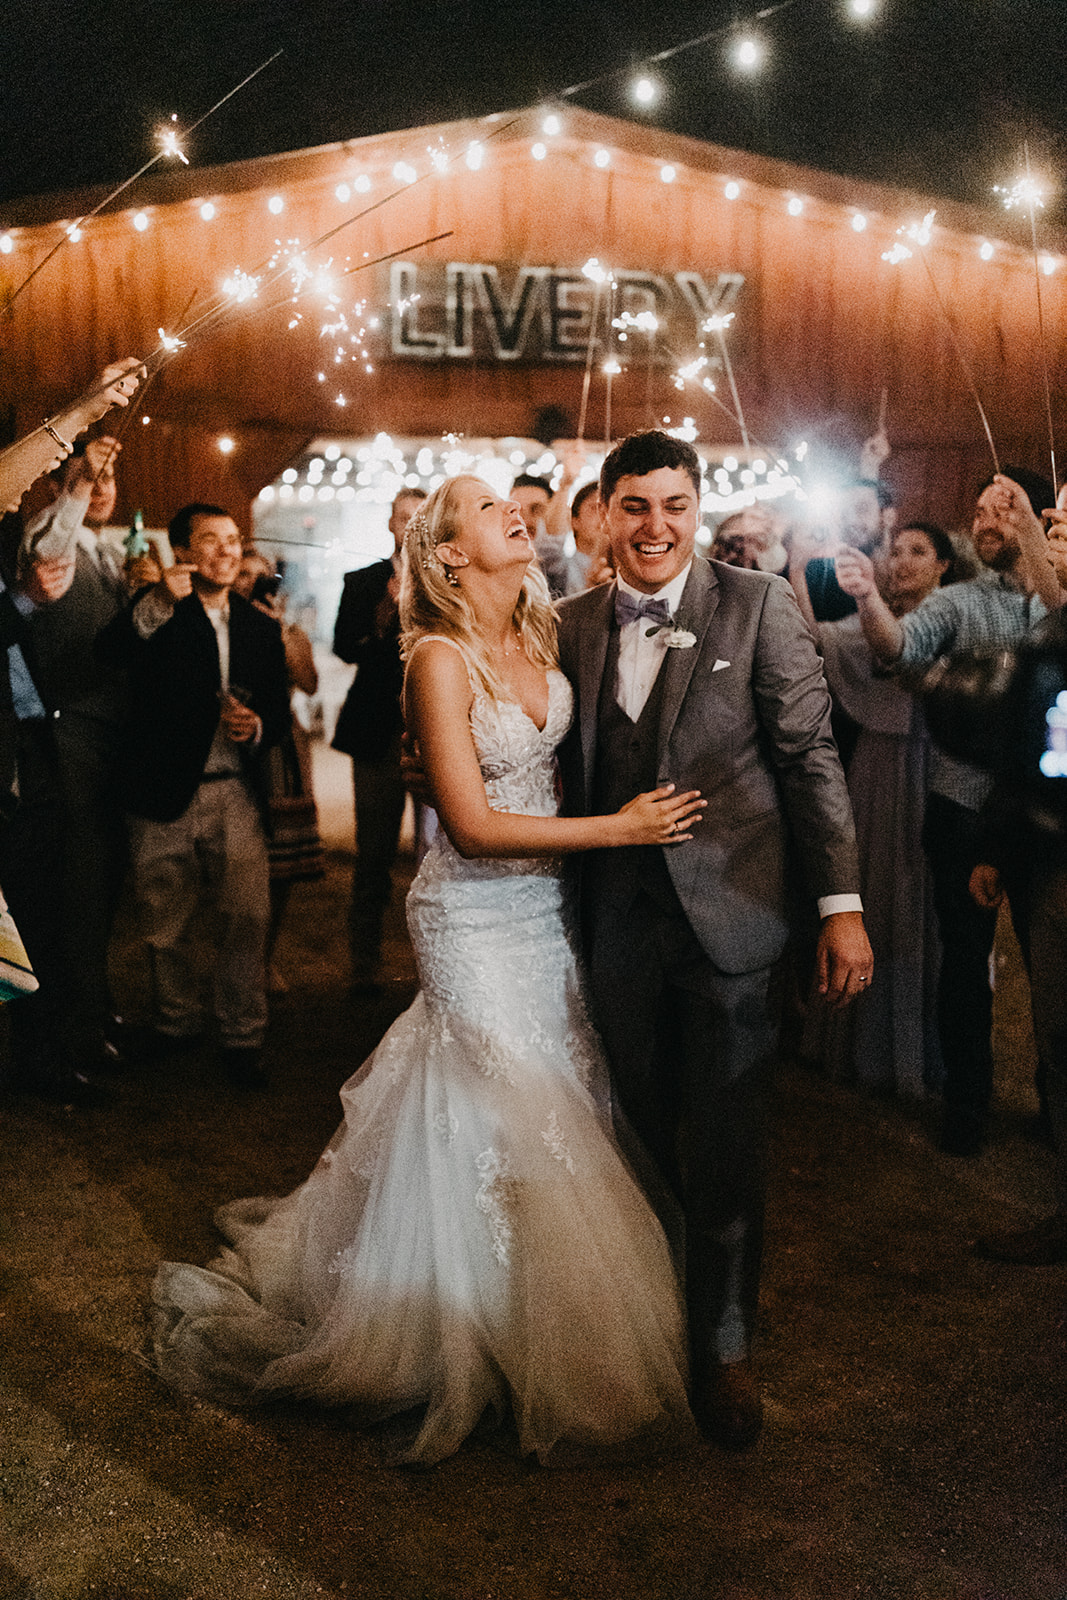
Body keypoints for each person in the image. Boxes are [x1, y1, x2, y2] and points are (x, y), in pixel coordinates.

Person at [151, 474, 705, 1465]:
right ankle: (460, 1335)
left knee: (558, 1093)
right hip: (472, 913)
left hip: (547, 915)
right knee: (512, 1104)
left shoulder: (541, 639)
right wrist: (618, 831)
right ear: (450, 552)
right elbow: (475, 825)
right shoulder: (436, 661)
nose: (516, 515)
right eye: (493, 510)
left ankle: (516, 1315)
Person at [555, 431, 871, 1449]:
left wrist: (838, 906)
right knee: (633, 1138)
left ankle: (725, 1346)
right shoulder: (564, 625)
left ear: (697, 509)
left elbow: (808, 757)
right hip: (612, 925)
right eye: (634, 506)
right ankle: (645, 1327)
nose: (654, 527)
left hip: (733, 922)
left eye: (673, 506)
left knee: (727, 1147)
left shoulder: (757, 604)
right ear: (602, 513)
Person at [836, 469, 1053, 1156]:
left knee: (1054, 971)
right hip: (962, 809)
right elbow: (898, 649)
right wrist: (869, 598)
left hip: (1050, 820)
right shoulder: (957, 602)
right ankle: (965, 1103)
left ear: (1039, 518)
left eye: (1003, 509)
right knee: (963, 965)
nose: (986, 522)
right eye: (980, 511)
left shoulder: (1061, 600)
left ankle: (1055, 1110)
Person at [96, 504, 289, 1087]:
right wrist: (157, 603)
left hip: (235, 792)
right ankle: (176, 1022)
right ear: (182, 551)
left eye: (233, 540)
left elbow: (278, 711)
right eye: (210, 541)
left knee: (245, 918)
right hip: (161, 793)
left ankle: (242, 1036)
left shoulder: (260, 624)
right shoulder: (160, 612)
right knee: (164, 918)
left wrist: (254, 725)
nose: (226, 551)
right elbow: (109, 657)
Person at [790, 522, 956, 1096]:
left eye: (920, 551)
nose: (903, 560)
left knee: (928, 905)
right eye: (896, 550)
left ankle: (926, 1053)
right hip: (878, 770)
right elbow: (811, 639)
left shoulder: (952, 618)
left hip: (940, 771)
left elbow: (899, 650)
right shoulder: (867, 620)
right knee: (872, 899)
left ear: (944, 565)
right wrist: (798, 564)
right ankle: (861, 1046)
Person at [332, 487, 425, 994]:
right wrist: (384, 616)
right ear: (391, 523)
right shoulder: (363, 581)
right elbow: (344, 647)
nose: (410, 526)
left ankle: (431, 964)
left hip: (436, 732)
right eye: (403, 517)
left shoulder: (448, 581)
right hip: (377, 733)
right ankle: (363, 963)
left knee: (438, 854)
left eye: (420, 518)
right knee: (374, 855)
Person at [231, 548, 323, 989]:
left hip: (281, 746)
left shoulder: (287, 629)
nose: (249, 582)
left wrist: (280, 635)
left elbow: (308, 683)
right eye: (242, 574)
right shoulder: (218, 625)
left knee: (281, 862)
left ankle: (264, 959)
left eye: (259, 576)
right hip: (230, 745)